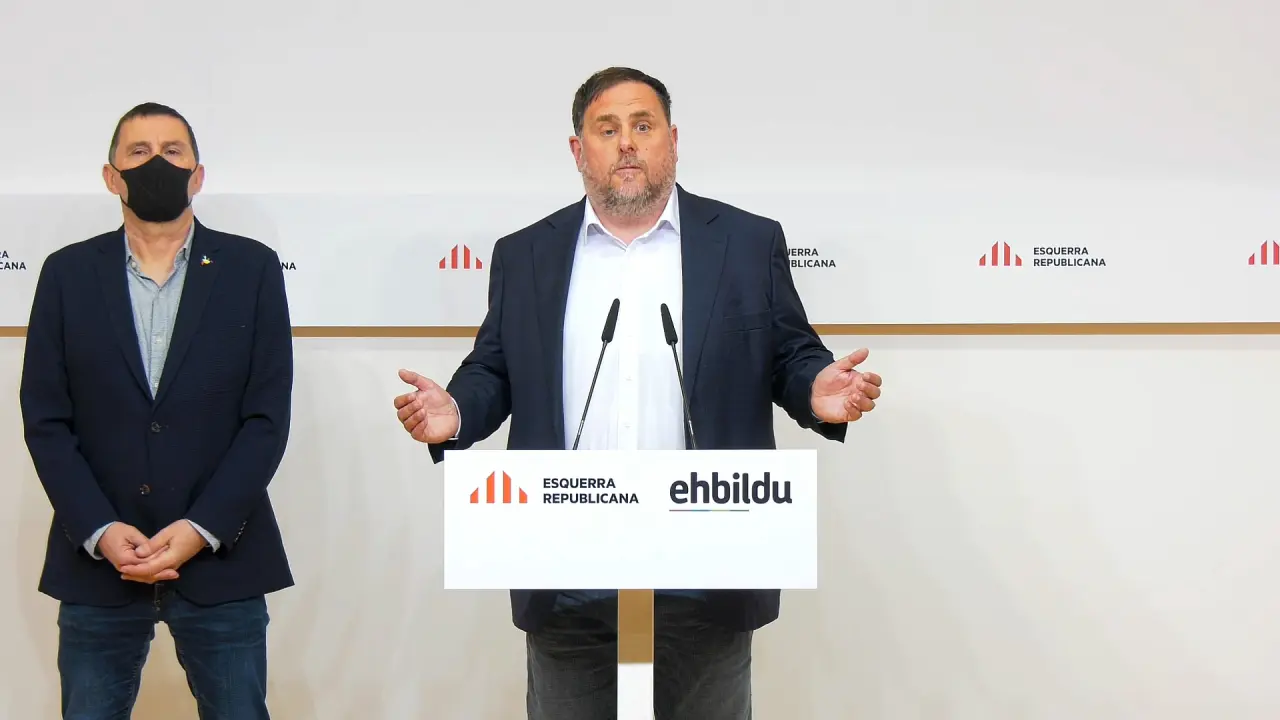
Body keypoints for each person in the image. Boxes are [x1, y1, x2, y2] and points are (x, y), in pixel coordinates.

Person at [393, 67, 883, 720]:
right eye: (607, 129)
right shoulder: (526, 253)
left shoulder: (745, 242)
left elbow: (789, 355)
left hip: (706, 564)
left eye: (643, 126)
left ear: (672, 141)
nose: (627, 142)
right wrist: (455, 411)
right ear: (579, 151)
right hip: (566, 566)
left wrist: (816, 389)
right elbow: (497, 369)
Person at [19, 102, 294, 720]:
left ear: (198, 174)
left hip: (222, 556)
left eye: (173, 152)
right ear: (111, 176)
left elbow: (266, 419)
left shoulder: (251, 268)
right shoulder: (66, 274)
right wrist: (99, 529)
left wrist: (201, 528)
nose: (157, 164)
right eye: (138, 153)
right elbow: (46, 419)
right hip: (98, 563)